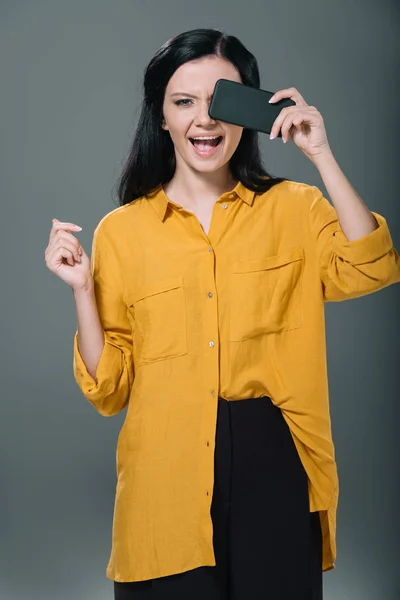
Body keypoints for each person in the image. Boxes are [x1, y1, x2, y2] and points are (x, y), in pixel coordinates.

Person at [45, 27, 400, 600]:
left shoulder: (295, 208)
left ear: (251, 110)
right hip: (164, 470)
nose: (203, 120)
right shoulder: (122, 232)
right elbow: (108, 387)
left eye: (222, 100)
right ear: (161, 117)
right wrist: (83, 290)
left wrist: (319, 152)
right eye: (183, 102)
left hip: (275, 455)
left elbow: (373, 266)